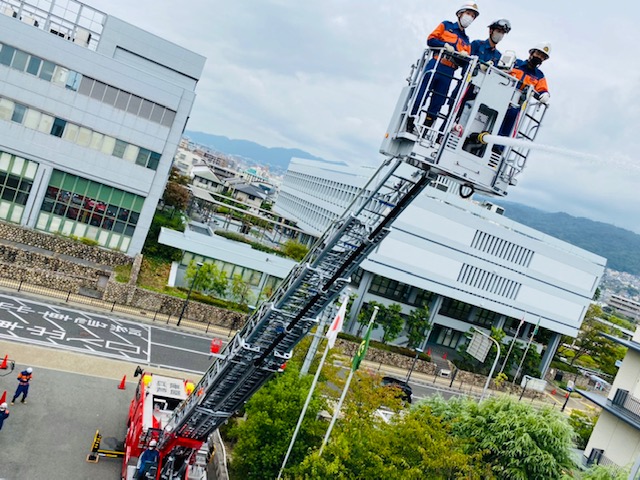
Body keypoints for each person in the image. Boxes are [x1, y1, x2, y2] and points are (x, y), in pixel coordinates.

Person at [408, 2, 479, 131]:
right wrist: (444, 45)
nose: (470, 18)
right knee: (421, 95)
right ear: (460, 14)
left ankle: (426, 129)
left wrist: (464, 57)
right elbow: (431, 39)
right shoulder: (446, 25)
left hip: (449, 71)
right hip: (436, 64)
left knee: (438, 102)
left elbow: (465, 63)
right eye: (468, 13)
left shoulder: (467, 40)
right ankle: (410, 121)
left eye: (473, 16)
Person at [496, 42, 551, 143]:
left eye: (542, 57)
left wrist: (545, 95)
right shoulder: (516, 64)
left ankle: (497, 149)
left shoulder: (539, 76)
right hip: (499, 100)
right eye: (538, 54)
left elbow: (542, 89)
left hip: (516, 107)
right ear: (531, 53)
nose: (539, 58)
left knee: (506, 133)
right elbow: (498, 69)